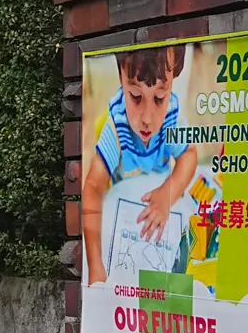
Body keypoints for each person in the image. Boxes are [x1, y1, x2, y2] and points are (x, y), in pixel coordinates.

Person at [82, 42, 198, 286]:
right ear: (121, 80)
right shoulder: (117, 125)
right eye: (135, 97)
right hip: (122, 218)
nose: (147, 119)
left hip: (159, 220)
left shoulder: (172, 118)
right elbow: (92, 187)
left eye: (159, 98)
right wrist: (95, 267)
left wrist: (169, 192)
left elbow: (189, 155)